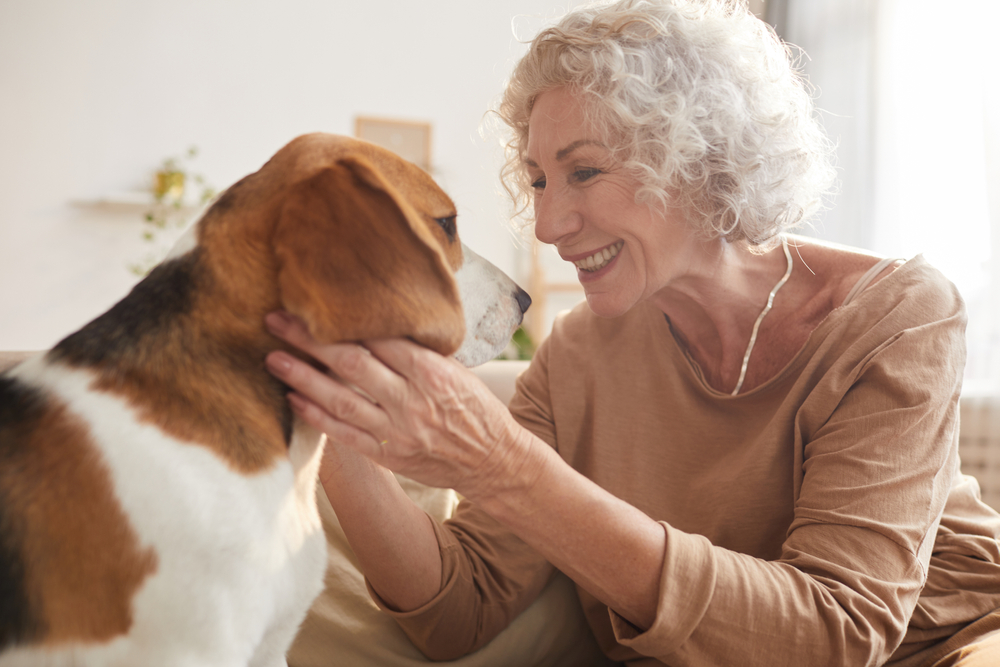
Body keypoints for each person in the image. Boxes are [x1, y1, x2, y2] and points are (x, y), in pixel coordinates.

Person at [264, 1, 1000, 665]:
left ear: (699, 159)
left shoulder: (898, 312)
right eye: (540, 180)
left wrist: (507, 467)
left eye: (584, 171)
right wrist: (322, 416)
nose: (549, 225)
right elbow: (464, 606)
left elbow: (836, 633)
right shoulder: (578, 353)